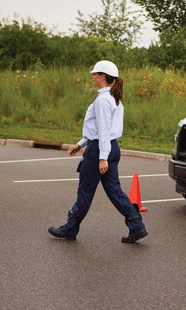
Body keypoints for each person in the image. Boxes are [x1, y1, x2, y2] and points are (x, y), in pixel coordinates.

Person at [48, 60, 148, 243]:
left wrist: (102, 158)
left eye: (95, 74)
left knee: (85, 192)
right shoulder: (114, 99)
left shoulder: (102, 100)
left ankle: (70, 229)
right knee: (115, 191)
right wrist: (80, 144)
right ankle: (137, 225)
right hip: (111, 148)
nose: (93, 77)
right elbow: (103, 129)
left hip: (100, 151)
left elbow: (102, 131)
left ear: (102, 76)